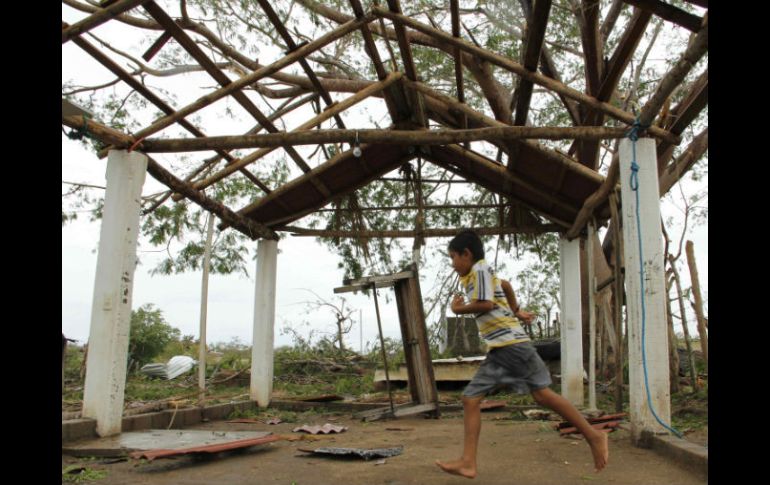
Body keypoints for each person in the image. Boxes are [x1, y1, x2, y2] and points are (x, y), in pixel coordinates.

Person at [436, 230, 608, 479]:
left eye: (453, 257)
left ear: (467, 254)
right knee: (472, 399)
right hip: (501, 348)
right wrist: (516, 310)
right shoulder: (479, 274)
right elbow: (504, 286)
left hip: (512, 347)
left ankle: (593, 436)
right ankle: (468, 462)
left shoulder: (480, 271)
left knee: (543, 396)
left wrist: (458, 308)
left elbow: (487, 304)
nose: (453, 265)